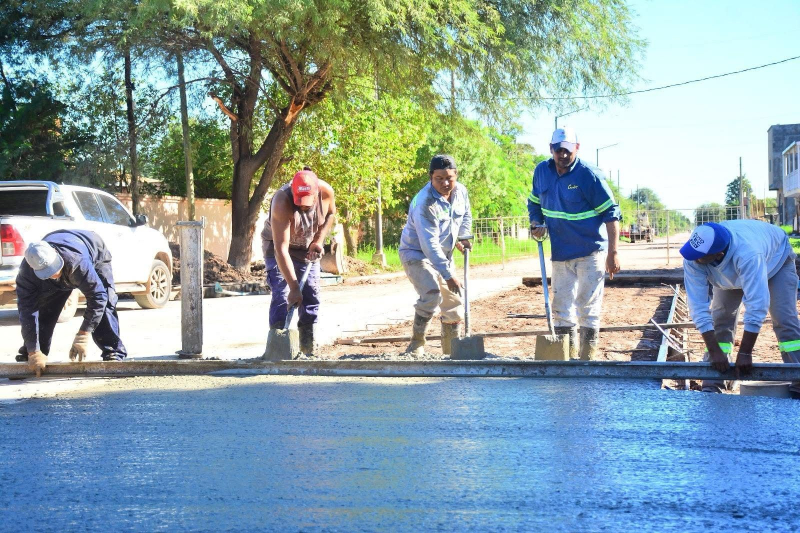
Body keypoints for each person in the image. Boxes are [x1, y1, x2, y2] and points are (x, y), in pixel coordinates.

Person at [527, 127, 621, 360]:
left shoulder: (589, 175)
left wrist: (613, 253)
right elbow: (534, 202)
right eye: (559, 150)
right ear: (551, 149)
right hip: (560, 252)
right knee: (561, 306)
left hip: (590, 251)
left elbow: (611, 213)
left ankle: (587, 358)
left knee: (587, 307)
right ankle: (565, 357)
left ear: (576, 149)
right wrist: (535, 222)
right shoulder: (542, 171)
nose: (563, 155)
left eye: (568, 150)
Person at [680, 220, 800, 396]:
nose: (694, 258)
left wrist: (745, 353)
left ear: (718, 253)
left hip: (775, 262)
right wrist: (714, 351)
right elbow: (697, 306)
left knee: (784, 321)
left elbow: (757, 305)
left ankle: (798, 382)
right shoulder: (693, 257)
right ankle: (713, 385)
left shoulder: (748, 253)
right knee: (720, 320)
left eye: (700, 256)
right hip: (730, 275)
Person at [15, 230, 127, 376]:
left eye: (54, 268)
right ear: (32, 268)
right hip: (63, 257)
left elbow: (98, 297)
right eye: (48, 272)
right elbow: (27, 312)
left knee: (105, 304)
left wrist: (83, 334)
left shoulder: (77, 262)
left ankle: (113, 352)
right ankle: (35, 355)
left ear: (55, 253)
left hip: (93, 251)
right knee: (45, 310)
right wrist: (32, 351)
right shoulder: (26, 275)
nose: (54, 274)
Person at [398, 154, 472, 356]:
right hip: (417, 253)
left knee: (454, 303)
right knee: (431, 294)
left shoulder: (461, 192)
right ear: (431, 177)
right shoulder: (425, 202)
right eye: (439, 178)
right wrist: (448, 275)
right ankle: (416, 344)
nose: (445, 183)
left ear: (456, 175)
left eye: (450, 178)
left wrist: (463, 236)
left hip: (445, 253)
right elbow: (429, 244)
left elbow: (465, 215)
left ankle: (451, 351)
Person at [261, 168, 336, 356]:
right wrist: (294, 287)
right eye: (299, 202)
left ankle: (307, 349)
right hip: (277, 247)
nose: (302, 207)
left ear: (316, 193)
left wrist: (318, 240)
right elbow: (281, 249)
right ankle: (278, 351)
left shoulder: (326, 192)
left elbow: (330, 215)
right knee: (282, 292)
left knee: (310, 293)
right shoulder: (281, 201)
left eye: (307, 203)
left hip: (307, 246)